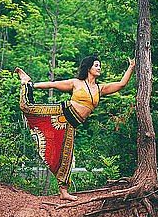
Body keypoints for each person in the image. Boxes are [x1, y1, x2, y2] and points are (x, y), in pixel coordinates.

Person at [15, 56, 134, 200]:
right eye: (96, 65)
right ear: (88, 67)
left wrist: (131, 66)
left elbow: (121, 84)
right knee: (28, 108)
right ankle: (25, 82)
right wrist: (33, 85)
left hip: (71, 125)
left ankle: (63, 192)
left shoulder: (99, 88)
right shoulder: (76, 83)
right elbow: (53, 84)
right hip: (62, 112)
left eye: (99, 66)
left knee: (66, 157)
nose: (99, 68)